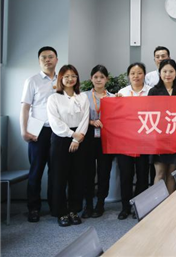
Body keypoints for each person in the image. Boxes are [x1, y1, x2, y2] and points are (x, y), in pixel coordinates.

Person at [47, 65, 89, 227]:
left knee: (77, 176)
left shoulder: (82, 97)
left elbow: (85, 118)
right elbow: (54, 122)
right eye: (66, 76)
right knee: (59, 176)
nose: (70, 79)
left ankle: (74, 210)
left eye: (73, 76)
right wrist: (72, 135)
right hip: (61, 138)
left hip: (80, 138)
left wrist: (77, 139)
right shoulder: (54, 98)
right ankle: (61, 212)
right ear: (61, 79)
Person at [20, 46, 58, 223]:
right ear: (39, 60)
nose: (47, 60)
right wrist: (24, 131)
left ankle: (54, 205)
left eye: (51, 56)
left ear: (56, 60)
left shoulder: (62, 79)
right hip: (38, 131)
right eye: (44, 57)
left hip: (57, 130)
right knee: (36, 170)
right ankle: (33, 208)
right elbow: (25, 107)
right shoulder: (32, 81)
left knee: (55, 171)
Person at [116, 62, 151, 219]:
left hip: (144, 140)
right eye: (133, 73)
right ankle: (125, 207)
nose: (136, 76)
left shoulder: (151, 92)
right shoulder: (122, 93)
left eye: (139, 73)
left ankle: (139, 206)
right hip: (126, 140)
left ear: (144, 75)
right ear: (128, 76)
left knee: (142, 175)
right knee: (126, 175)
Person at [81, 65, 114, 218]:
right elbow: (78, 116)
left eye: (102, 77)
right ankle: (88, 204)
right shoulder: (83, 96)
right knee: (87, 172)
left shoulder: (113, 97)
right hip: (88, 137)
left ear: (107, 79)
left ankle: (100, 203)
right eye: (96, 77)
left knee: (104, 171)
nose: (99, 80)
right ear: (91, 79)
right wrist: (91, 122)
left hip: (106, 138)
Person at [148, 59, 176, 194]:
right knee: (160, 173)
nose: (168, 74)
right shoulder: (153, 91)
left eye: (171, 71)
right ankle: (157, 202)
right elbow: (149, 114)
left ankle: (169, 202)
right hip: (159, 138)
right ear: (159, 73)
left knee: (172, 173)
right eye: (164, 71)